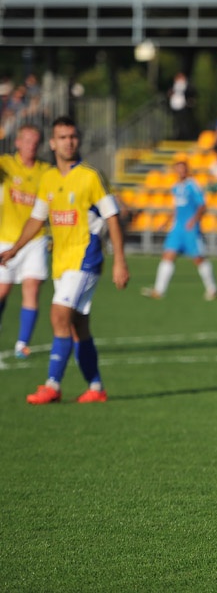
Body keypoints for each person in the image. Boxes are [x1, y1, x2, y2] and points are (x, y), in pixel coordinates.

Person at [0, 116, 130, 404]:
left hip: (86, 257)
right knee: (77, 325)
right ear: (52, 143)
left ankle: (52, 385)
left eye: (72, 136)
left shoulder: (91, 176)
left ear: (78, 139)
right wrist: (16, 249)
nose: (68, 142)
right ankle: (96, 388)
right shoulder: (48, 178)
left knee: (59, 314)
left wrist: (120, 260)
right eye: (62, 137)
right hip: (62, 261)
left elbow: (112, 217)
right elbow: (37, 219)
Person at [0, 124, 51, 358]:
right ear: (18, 142)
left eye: (35, 141)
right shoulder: (6, 165)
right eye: (27, 140)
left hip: (35, 239)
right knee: (3, 290)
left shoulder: (46, 171)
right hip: (6, 238)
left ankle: (22, 344)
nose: (31, 145)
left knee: (32, 287)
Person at [141, 160, 217, 301]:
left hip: (190, 228)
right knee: (167, 256)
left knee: (198, 258)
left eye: (183, 169)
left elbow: (202, 206)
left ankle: (212, 289)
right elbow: (176, 208)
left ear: (187, 170)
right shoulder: (175, 187)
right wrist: (166, 222)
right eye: (178, 169)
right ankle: (159, 290)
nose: (180, 171)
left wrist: (193, 221)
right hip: (177, 229)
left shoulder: (192, 185)